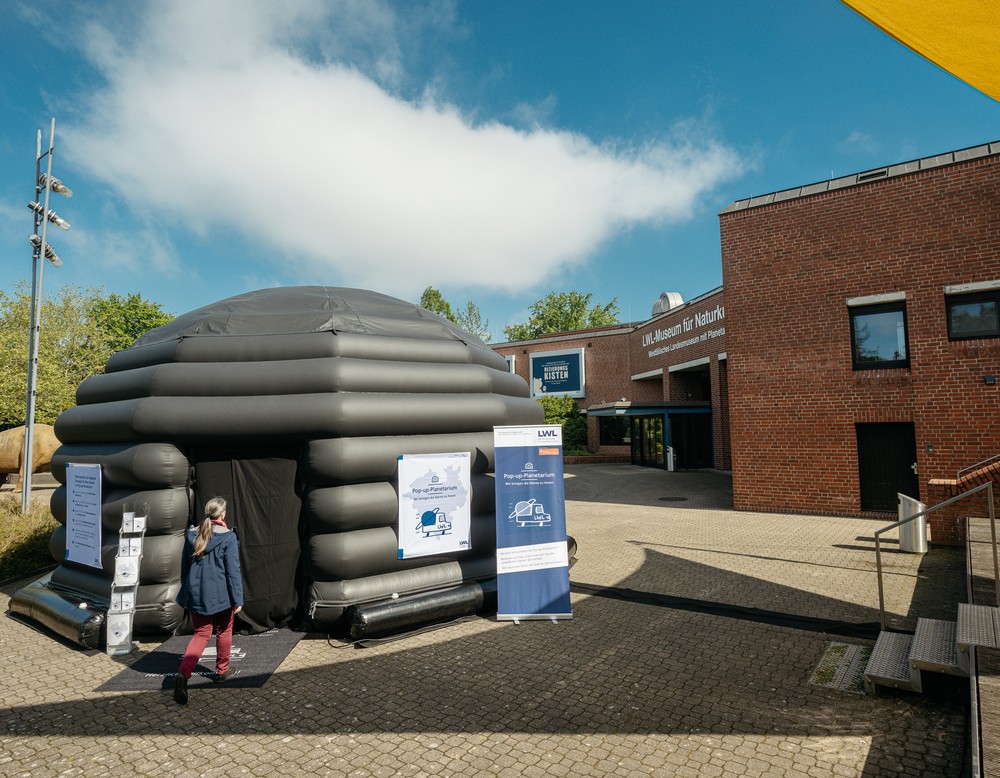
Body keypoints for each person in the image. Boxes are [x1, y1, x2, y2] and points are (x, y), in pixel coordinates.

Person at [173, 496, 244, 705]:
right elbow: (233, 571)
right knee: (224, 630)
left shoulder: (191, 535)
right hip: (222, 595)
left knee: (201, 635)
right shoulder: (228, 537)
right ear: (222, 515)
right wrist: (237, 598)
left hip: (196, 594)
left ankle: (183, 674)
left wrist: (188, 590)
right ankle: (222, 671)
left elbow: (184, 568)